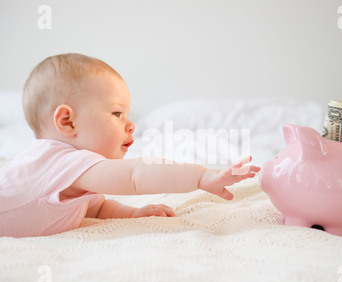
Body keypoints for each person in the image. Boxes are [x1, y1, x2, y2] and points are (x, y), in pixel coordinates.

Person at [0, 53, 260, 237]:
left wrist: (134, 215)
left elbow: (98, 208)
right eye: (116, 114)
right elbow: (136, 176)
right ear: (67, 121)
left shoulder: (72, 173)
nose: (131, 124)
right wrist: (203, 177)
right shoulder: (63, 162)